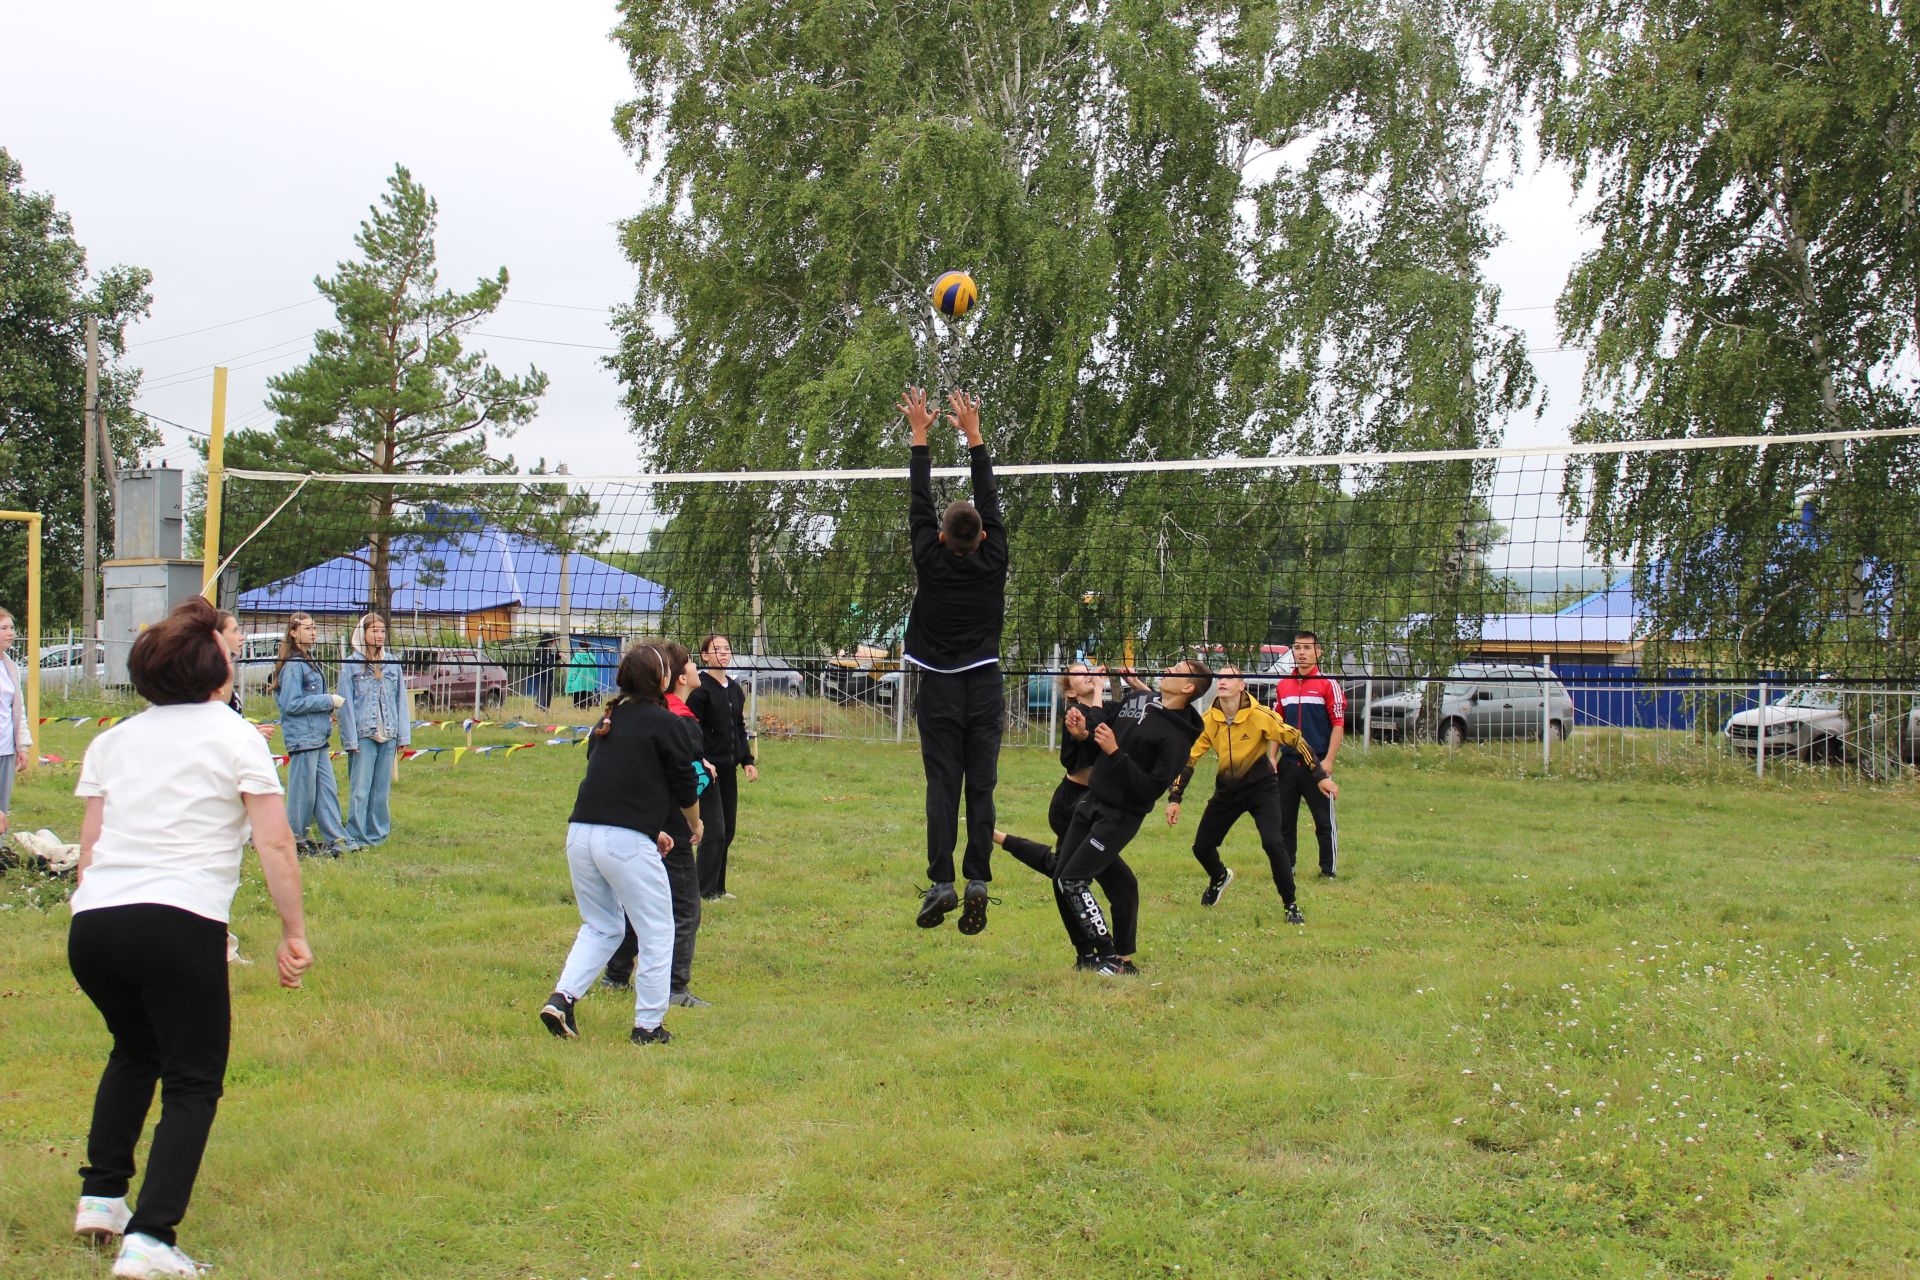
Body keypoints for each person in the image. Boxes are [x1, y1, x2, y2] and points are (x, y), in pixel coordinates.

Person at [66, 595, 311, 1280]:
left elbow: (90, 848)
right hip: (176, 919)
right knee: (193, 1081)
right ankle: (151, 1238)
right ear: (217, 675)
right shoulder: (234, 736)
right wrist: (293, 933)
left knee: (133, 1050)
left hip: (94, 926)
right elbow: (276, 845)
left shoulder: (111, 739)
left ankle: (102, 1196)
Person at [538, 641, 701, 1047]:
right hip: (621, 841)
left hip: (581, 835)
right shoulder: (666, 723)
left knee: (603, 926)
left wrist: (651, 828)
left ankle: (563, 998)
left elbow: (617, 780)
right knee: (659, 931)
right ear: (664, 679)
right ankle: (648, 1027)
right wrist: (694, 824)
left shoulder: (607, 720)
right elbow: (684, 785)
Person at [898, 385, 1008, 934]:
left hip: (939, 686)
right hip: (984, 686)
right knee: (981, 786)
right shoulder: (995, 557)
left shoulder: (928, 557)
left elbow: (919, 500)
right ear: (983, 537)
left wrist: (921, 434)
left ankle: (941, 880)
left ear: (940, 539)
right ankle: (978, 879)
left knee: (943, 785)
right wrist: (974, 435)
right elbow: (987, 499)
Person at [1051, 658, 1212, 975]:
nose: (1167, 670)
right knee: (1066, 879)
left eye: (1176, 671)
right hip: (1090, 802)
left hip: (1119, 817)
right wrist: (1083, 732)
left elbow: (1149, 790)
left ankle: (1111, 957)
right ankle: (1091, 957)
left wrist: (1114, 752)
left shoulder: (1177, 739)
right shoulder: (1141, 698)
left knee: (1072, 880)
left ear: (1189, 687)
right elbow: (1106, 722)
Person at [993, 661, 1145, 972]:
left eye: (1090, 667)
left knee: (1067, 874)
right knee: (1076, 878)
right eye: (1079, 671)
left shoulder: (1112, 707)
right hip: (1073, 805)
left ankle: (1090, 956)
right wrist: (1100, 692)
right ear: (1071, 691)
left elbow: (1148, 711)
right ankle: (1104, 956)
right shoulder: (1074, 717)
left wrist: (1136, 683)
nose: (1089, 671)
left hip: (1098, 804)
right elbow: (1093, 746)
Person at [1166, 665, 1335, 925]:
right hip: (1227, 792)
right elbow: (1189, 760)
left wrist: (1320, 776)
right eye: (1220, 678)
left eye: (1229, 678)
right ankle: (1220, 876)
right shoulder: (1209, 719)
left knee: (1273, 842)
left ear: (1242, 685)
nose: (1222, 682)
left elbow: (1296, 739)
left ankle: (1290, 905)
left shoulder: (1260, 715)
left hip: (1261, 790)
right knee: (1202, 847)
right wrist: (1175, 798)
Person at [603, 642, 713, 1008]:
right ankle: (675, 988)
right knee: (685, 908)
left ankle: (616, 974)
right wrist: (694, 818)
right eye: (692, 663)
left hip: (639, 823)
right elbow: (681, 780)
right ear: (677, 676)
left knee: (640, 903)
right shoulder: (679, 722)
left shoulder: (632, 714)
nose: (697, 666)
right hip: (669, 827)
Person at [265, 613, 348, 858]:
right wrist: (327, 700)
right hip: (303, 738)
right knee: (303, 793)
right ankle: (293, 840)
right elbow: (291, 704)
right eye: (308, 628)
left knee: (326, 789)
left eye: (315, 628)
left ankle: (338, 839)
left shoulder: (309, 660)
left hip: (318, 737)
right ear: (293, 632)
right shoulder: (293, 664)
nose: (314, 632)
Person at [686, 633, 759, 901]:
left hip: (728, 770)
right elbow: (691, 729)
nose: (723, 653)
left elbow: (738, 729)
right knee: (713, 831)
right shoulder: (700, 690)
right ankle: (702, 892)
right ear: (705, 655)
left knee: (727, 830)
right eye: (717, 649)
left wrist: (747, 761)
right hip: (707, 770)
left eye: (727, 648)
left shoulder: (735, 688)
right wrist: (702, 760)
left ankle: (717, 887)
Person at [1274, 630, 1345, 878]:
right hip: (1288, 763)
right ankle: (1288, 867)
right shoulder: (1283, 685)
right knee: (1284, 821)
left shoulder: (1328, 684)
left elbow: (1338, 724)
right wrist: (1272, 757)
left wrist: (1328, 761)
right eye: (1297, 648)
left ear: (1318, 652)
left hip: (1316, 764)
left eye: (1307, 648)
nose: (1301, 653)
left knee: (1324, 822)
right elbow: (1277, 724)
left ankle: (1328, 871)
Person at [338, 613, 410, 850]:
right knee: (360, 789)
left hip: (388, 733)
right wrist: (350, 740)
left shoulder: (392, 663)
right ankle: (357, 835)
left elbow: (401, 700)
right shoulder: (351, 665)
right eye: (374, 631)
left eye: (382, 631)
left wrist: (403, 736)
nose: (379, 636)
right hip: (363, 734)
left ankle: (377, 834)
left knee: (381, 789)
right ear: (363, 633)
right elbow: (344, 703)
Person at [214, 612, 280, 741]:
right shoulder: (212, 677)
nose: (242, 637)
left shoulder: (224, 672)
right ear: (218, 636)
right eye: (235, 631)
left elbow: (230, 722)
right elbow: (217, 728)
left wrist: (252, 730)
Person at [0, 607, 33, 839]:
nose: (11, 633)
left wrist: (22, 746)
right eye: (4, 628)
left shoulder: (10, 666)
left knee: (2, 806)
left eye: (12, 628)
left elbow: (18, 710)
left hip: (6, 748)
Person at [566, 644, 599, 711]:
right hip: (588, 683)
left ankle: (580, 717)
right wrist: (594, 682)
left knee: (578, 705)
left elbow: (573, 670)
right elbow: (595, 671)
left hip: (578, 683)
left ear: (579, 647)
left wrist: (570, 683)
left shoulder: (577, 657)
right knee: (586, 704)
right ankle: (585, 716)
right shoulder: (592, 657)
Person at [532, 634, 559, 712]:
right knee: (542, 695)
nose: (552, 643)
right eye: (551, 641)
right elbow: (537, 664)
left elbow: (550, 659)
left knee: (548, 696)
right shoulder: (539, 649)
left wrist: (558, 656)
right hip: (542, 677)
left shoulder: (548, 649)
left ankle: (545, 710)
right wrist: (543, 671)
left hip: (549, 677)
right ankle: (538, 711)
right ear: (547, 641)